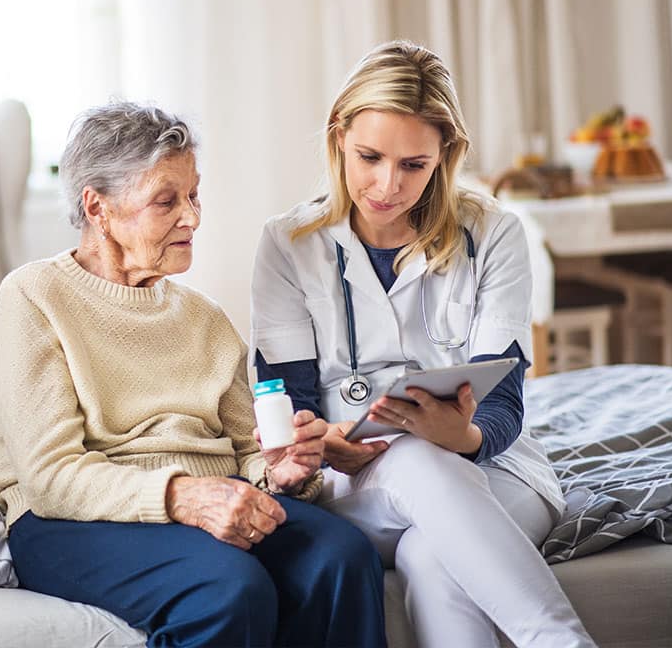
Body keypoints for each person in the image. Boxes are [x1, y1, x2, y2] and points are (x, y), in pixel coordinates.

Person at [0, 101, 386, 648]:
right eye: (166, 201)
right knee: (228, 590)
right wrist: (184, 498)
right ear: (97, 208)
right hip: (70, 520)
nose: (192, 216)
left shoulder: (204, 318)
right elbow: (52, 477)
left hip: (207, 495)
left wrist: (282, 471)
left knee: (342, 556)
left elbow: (250, 452)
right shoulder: (34, 297)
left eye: (193, 195)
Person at [250, 41, 595, 648]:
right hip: (352, 482)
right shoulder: (287, 244)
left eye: (414, 164)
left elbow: (504, 404)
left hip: (495, 467)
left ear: (446, 155)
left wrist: (461, 437)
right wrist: (318, 443)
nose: (388, 185)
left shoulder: (493, 235)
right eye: (370, 157)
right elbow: (288, 399)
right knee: (411, 459)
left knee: (434, 556)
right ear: (338, 137)